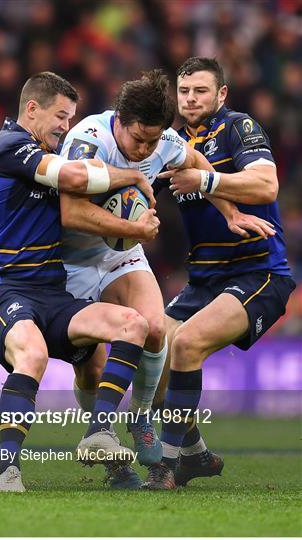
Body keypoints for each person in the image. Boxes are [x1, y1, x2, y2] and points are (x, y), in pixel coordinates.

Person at [59, 69, 276, 487]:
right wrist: (135, 229)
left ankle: (141, 419)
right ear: (118, 120)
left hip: (122, 254)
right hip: (73, 262)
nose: (144, 149)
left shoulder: (163, 143)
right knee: (92, 369)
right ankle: (112, 461)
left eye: (152, 141)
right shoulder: (89, 140)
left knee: (156, 327)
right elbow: (69, 213)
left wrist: (230, 212)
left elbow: (196, 162)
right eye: (138, 139)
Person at [0, 71, 162, 492]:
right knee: (34, 355)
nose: (66, 127)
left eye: (72, 117)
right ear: (32, 110)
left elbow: (83, 178)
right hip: (5, 289)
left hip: (54, 292)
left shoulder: (50, 155)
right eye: (60, 117)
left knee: (135, 324)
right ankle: (8, 472)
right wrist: (130, 175)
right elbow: (77, 178)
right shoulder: (7, 146)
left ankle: (100, 433)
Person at [143, 57, 296, 489]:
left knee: (187, 344)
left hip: (258, 273)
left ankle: (166, 467)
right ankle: (194, 454)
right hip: (204, 280)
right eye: (185, 91)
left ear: (221, 94)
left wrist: (207, 182)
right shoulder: (168, 143)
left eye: (201, 91)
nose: (190, 99)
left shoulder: (238, 127)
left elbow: (266, 186)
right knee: (150, 357)